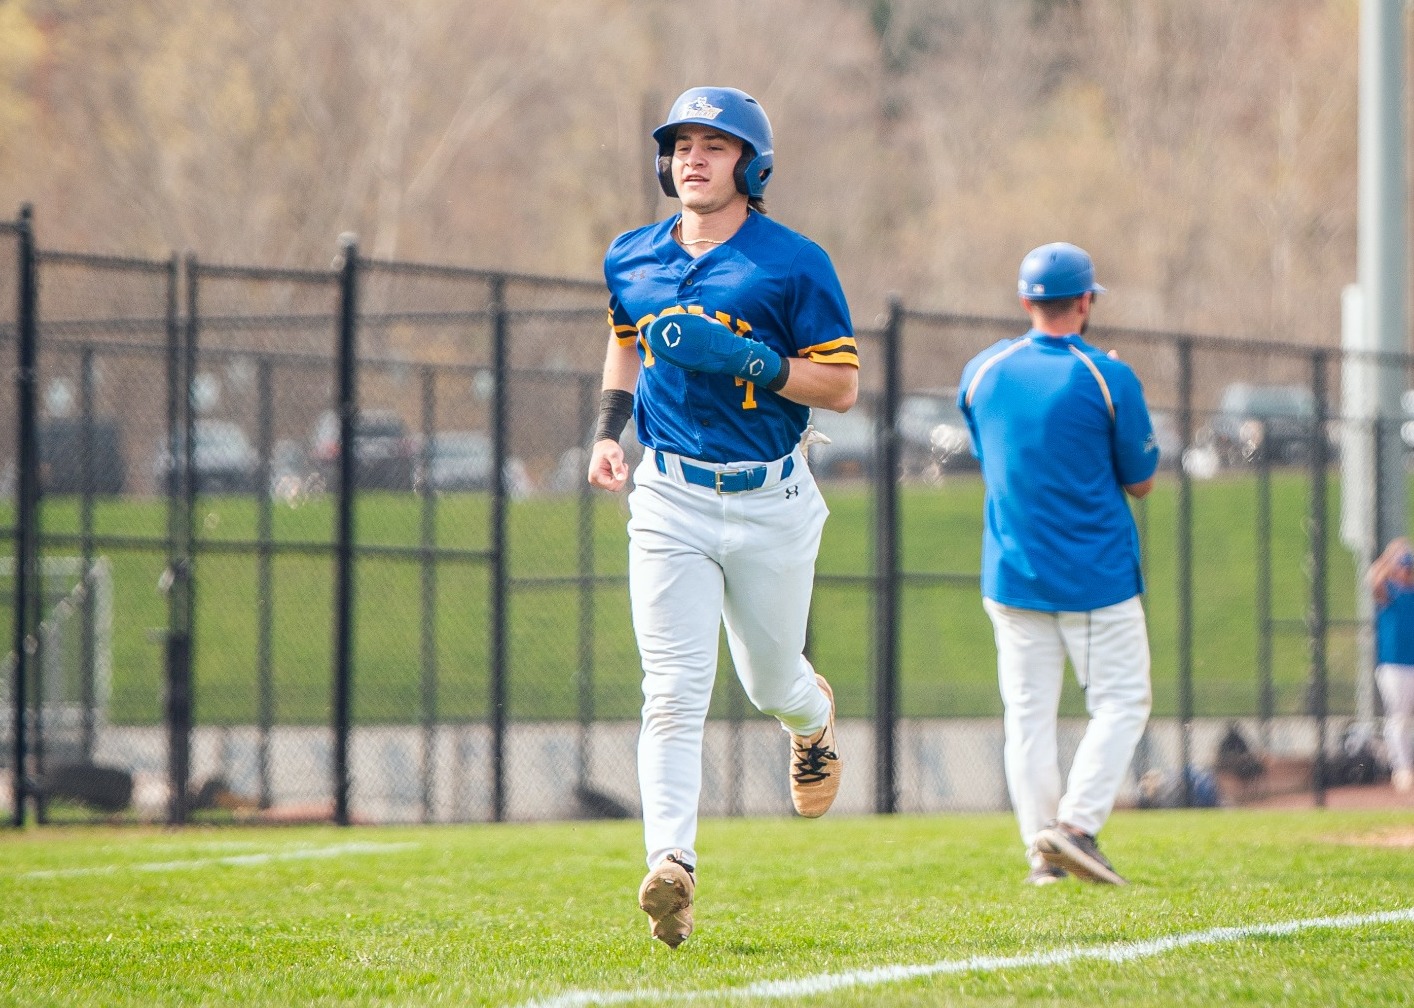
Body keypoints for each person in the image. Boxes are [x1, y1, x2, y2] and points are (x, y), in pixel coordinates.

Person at [588, 86, 859, 946]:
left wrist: (753, 360)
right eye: (681, 144)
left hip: (771, 499)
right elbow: (628, 337)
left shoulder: (794, 262)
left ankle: (811, 719)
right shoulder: (631, 254)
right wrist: (606, 430)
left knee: (769, 681)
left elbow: (842, 388)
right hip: (668, 496)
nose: (693, 157)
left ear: (751, 163)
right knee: (671, 690)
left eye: (715, 143)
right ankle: (674, 865)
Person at [957, 242, 1160, 886]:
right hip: (1093, 575)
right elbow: (1143, 479)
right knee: (1123, 701)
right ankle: (1073, 828)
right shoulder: (1106, 376)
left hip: (1012, 573)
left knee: (1028, 719)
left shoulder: (981, 372)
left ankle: (1042, 858)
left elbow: (998, 457)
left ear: (1025, 301)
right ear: (1085, 301)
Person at [1367, 537, 1414, 795]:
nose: (1405, 571)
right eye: (1402, 566)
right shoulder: (1390, 592)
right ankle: (1403, 769)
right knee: (1399, 718)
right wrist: (1391, 555)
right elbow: (1373, 579)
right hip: (1394, 665)